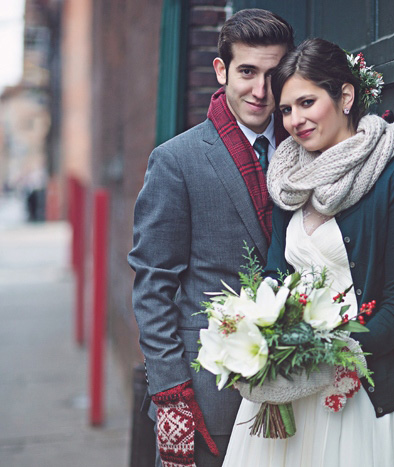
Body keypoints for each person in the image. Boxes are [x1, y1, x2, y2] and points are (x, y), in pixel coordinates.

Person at [222, 38, 394, 467]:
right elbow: (274, 273)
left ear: (345, 96)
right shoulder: (288, 182)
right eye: (286, 110)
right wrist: (258, 330)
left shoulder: (393, 180)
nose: (295, 120)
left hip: (358, 391)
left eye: (307, 102)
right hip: (290, 384)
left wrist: (334, 350)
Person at [128, 9, 294, 467]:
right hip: (210, 398)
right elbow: (152, 284)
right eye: (247, 72)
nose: (260, 90)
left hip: (301, 389)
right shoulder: (176, 160)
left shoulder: (308, 150)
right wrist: (171, 393)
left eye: (273, 74)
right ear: (221, 71)